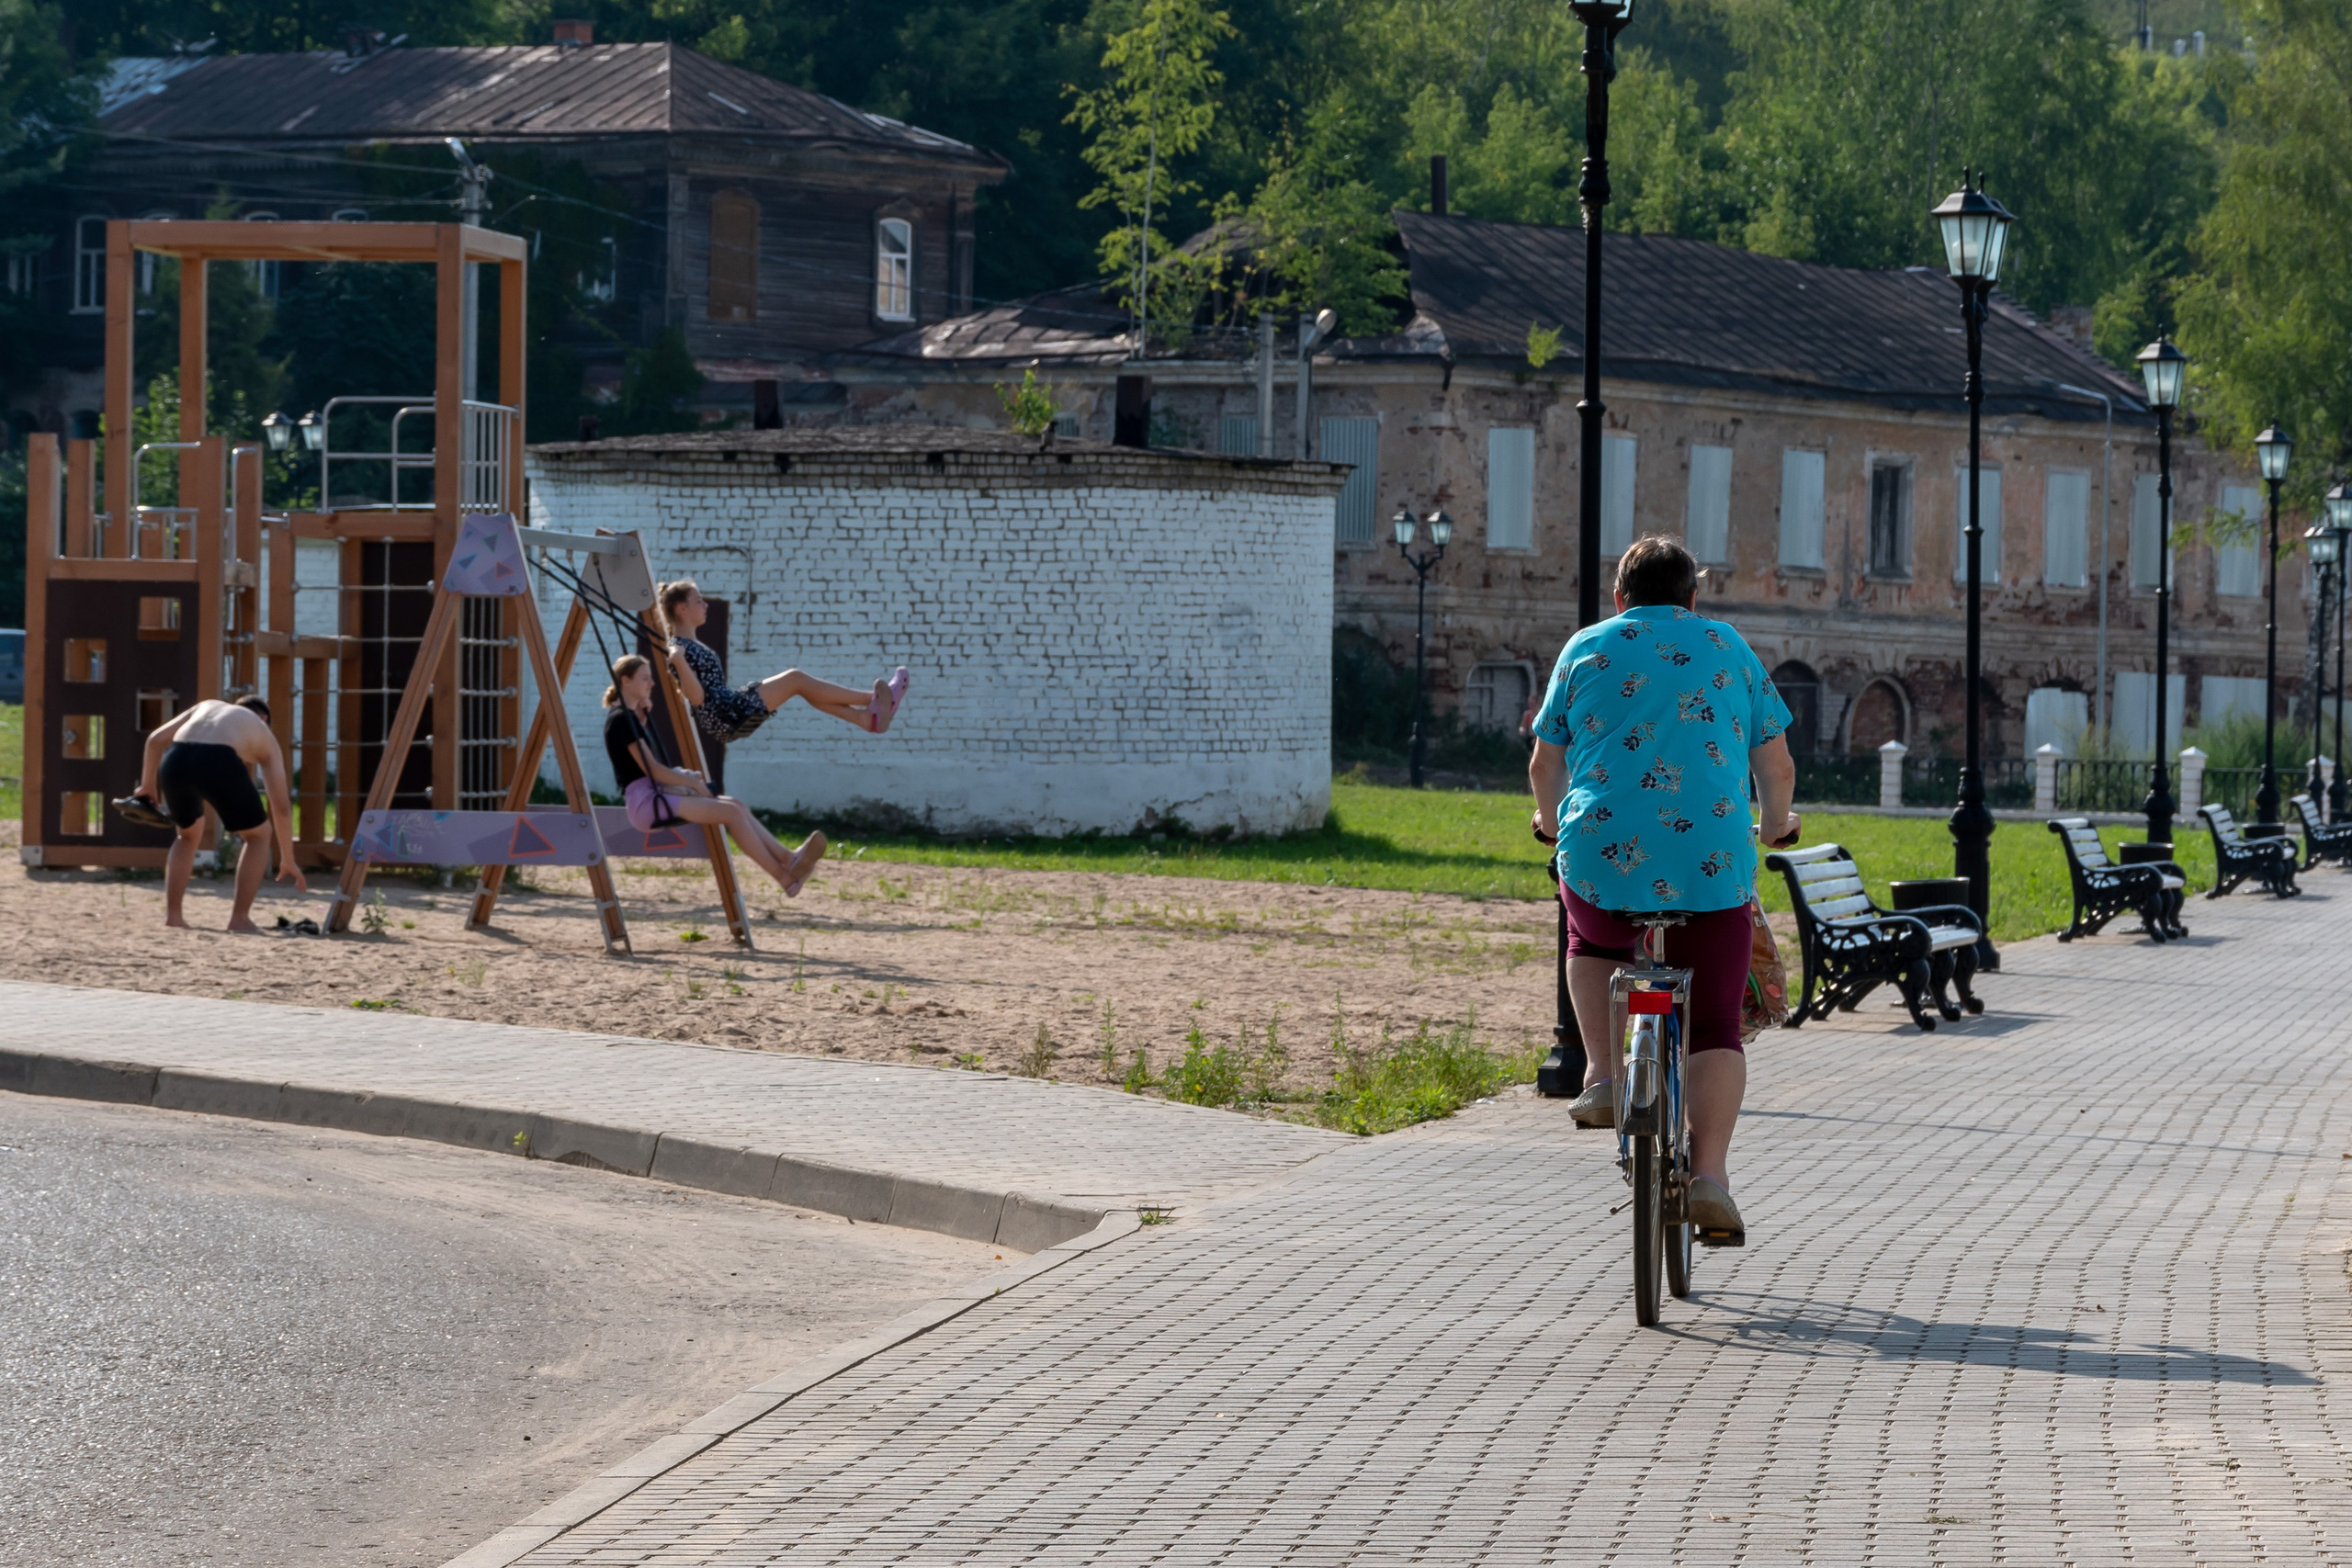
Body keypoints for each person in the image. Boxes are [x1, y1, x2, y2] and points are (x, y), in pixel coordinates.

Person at [1527, 535, 1801, 1240]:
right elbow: (1777, 765)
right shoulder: (1727, 644)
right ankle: (1709, 1174)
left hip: (1602, 853)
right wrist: (1774, 826)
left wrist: (1549, 819)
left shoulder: (1586, 645)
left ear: (1621, 598)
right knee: (1710, 1023)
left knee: (1591, 934)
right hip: (1708, 860)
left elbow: (1543, 762)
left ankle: (1601, 1073)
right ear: (1692, 599)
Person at [603, 655, 827, 897]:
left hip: (655, 795)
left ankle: (789, 858)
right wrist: (693, 784)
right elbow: (654, 770)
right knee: (730, 813)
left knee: (736, 805)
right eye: (645, 678)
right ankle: (786, 878)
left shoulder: (630, 718)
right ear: (625, 681)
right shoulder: (620, 720)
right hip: (646, 803)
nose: (652, 684)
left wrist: (643, 717)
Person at [658, 580, 909, 752]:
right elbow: (697, 698)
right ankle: (873, 701)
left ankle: (868, 718)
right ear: (682, 609)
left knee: (801, 687)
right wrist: (677, 660)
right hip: (726, 714)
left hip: (729, 708)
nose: (705, 605)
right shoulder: (678, 648)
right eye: (698, 600)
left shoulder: (691, 645)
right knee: (796, 679)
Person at [129, 696, 310, 931]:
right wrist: (287, 858)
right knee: (258, 836)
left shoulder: (207, 706)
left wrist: (147, 786)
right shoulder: (263, 732)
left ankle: (173, 916)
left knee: (187, 835)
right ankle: (239, 919)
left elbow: (155, 740)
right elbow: (281, 808)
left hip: (176, 759)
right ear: (263, 719)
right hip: (218, 760)